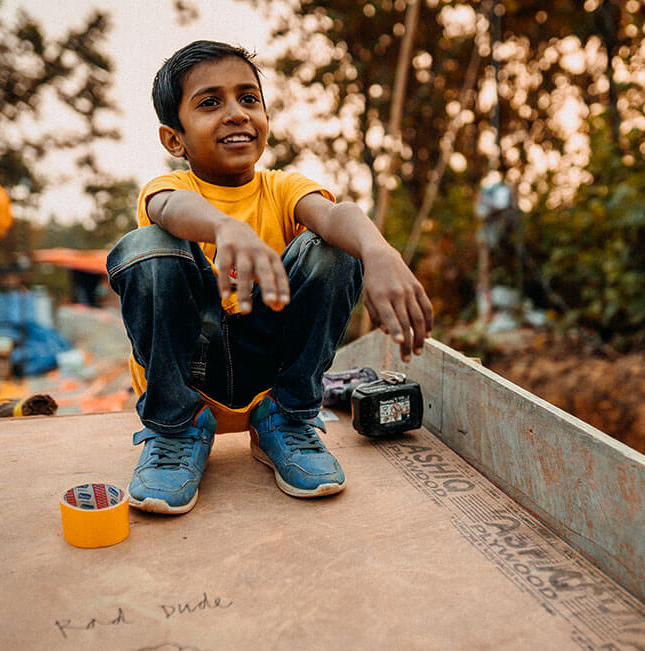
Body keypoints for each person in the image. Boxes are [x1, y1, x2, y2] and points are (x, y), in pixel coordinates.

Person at [106, 40, 433, 515]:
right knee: (146, 246)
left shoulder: (283, 188)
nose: (236, 113)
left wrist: (379, 251)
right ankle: (175, 432)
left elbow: (335, 215)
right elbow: (169, 209)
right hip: (193, 371)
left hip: (270, 372)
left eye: (248, 98)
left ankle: (286, 420)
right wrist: (224, 226)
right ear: (174, 139)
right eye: (210, 102)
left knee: (335, 248)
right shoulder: (171, 190)